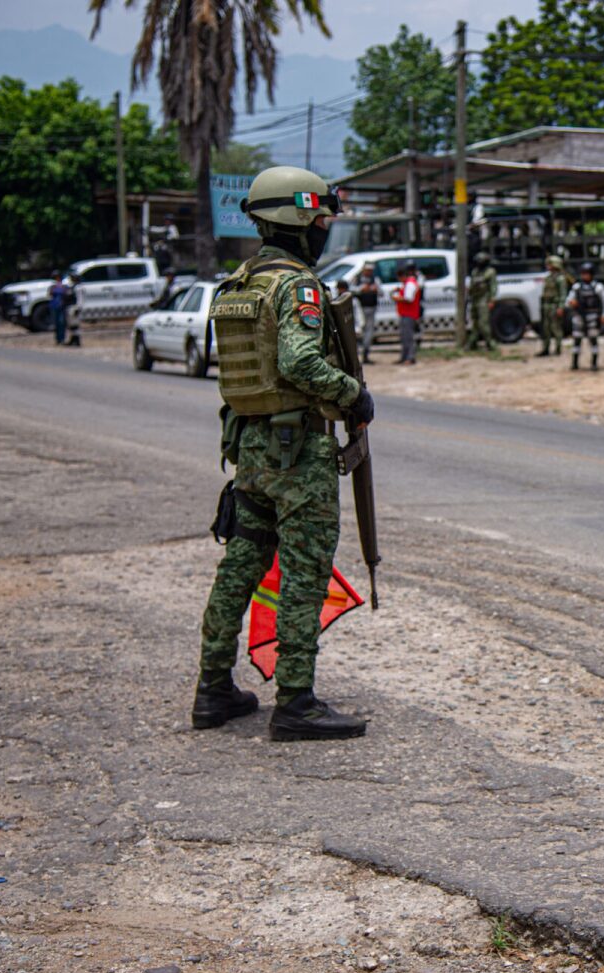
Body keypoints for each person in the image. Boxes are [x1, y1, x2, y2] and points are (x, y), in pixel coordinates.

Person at [195, 164, 373, 741]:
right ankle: (296, 701)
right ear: (300, 221)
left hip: (250, 448)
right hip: (299, 455)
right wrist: (353, 395)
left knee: (241, 564)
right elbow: (300, 363)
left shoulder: (239, 282)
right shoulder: (297, 286)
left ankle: (213, 688)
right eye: (322, 219)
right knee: (303, 571)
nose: (325, 230)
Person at [564, 261, 604, 371]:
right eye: (583, 273)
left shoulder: (598, 287)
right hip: (579, 317)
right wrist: (572, 303)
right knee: (577, 339)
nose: (584, 276)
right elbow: (568, 301)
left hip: (592, 316)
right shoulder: (577, 287)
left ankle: (594, 363)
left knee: (593, 340)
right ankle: (575, 363)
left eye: (587, 273)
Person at [391, 260, 421, 365]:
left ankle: (410, 357)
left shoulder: (410, 284)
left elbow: (408, 298)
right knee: (404, 337)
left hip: (409, 314)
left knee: (408, 337)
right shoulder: (408, 284)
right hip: (406, 313)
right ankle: (404, 357)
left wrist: (397, 298)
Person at [467, 251, 498, 352]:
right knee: (475, 323)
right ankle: (472, 343)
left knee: (483, 323)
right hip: (475, 299)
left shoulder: (490, 272)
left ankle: (490, 344)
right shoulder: (475, 272)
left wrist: (492, 300)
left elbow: (493, 287)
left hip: (484, 299)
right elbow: (472, 285)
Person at [539, 255, 569, 357]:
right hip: (547, 305)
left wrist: (560, 307)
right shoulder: (548, 278)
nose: (548, 266)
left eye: (550, 264)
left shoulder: (560, 279)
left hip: (554, 305)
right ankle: (545, 348)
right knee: (546, 328)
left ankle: (558, 348)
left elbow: (563, 294)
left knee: (556, 328)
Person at [355, 263, 381, 364]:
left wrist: (376, 289)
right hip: (359, 309)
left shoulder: (375, 279)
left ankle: (365, 354)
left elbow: (382, 292)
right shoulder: (357, 279)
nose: (369, 272)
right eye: (367, 270)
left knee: (369, 333)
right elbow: (350, 290)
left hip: (371, 308)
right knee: (358, 330)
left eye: (370, 270)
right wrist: (361, 289)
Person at [47, 271, 69, 345]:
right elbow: (50, 293)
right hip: (54, 305)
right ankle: (58, 339)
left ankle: (62, 339)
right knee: (56, 323)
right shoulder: (52, 285)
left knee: (62, 322)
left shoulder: (64, 285)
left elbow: (66, 293)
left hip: (62, 306)